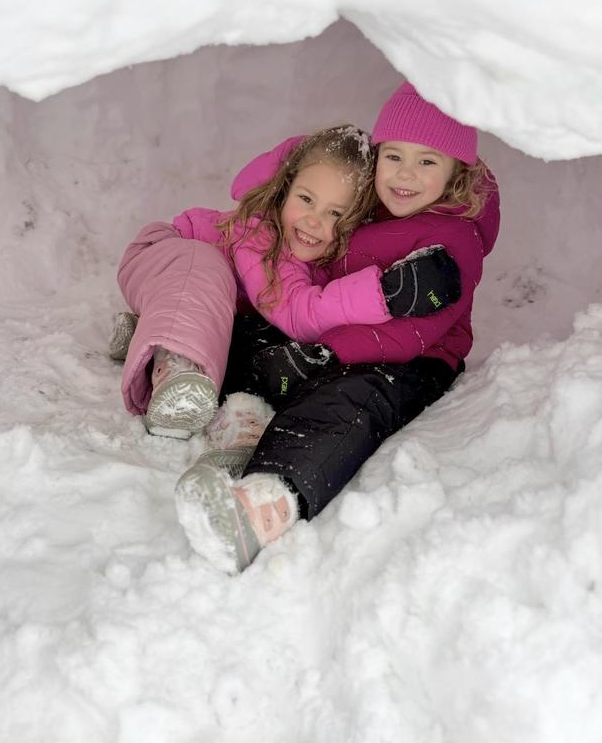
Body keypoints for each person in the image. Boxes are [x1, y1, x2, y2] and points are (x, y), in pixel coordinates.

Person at [174, 81, 501, 574]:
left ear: (458, 171)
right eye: (393, 156)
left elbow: (413, 332)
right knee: (248, 336)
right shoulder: (374, 201)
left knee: (346, 406)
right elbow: (277, 188)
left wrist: (326, 354)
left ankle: (265, 503)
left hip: (407, 361)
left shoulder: (453, 240)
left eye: (428, 161)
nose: (405, 174)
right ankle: (245, 418)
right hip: (332, 332)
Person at [112, 124, 461, 439]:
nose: (313, 221)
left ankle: (147, 332)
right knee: (206, 269)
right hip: (167, 255)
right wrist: (382, 295)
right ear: (284, 190)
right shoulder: (260, 234)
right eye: (306, 200)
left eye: (335, 214)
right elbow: (298, 313)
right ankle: (177, 373)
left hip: (195, 298)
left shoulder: (322, 257)